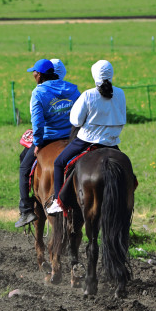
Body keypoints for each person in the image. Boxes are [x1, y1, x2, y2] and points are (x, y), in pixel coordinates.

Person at [46, 59, 126, 214]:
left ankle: (58, 201)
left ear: (94, 75)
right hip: (112, 142)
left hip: (87, 140)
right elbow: (122, 116)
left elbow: (75, 120)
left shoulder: (88, 95)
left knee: (59, 163)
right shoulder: (120, 93)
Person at [15, 58, 80, 228]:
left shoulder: (38, 92)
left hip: (49, 138)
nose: (33, 75)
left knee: (24, 167)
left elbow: (37, 122)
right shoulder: (73, 89)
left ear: (40, 75)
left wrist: (38, 143)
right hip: (72, 139)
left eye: (34, 72)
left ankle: (26, 210)